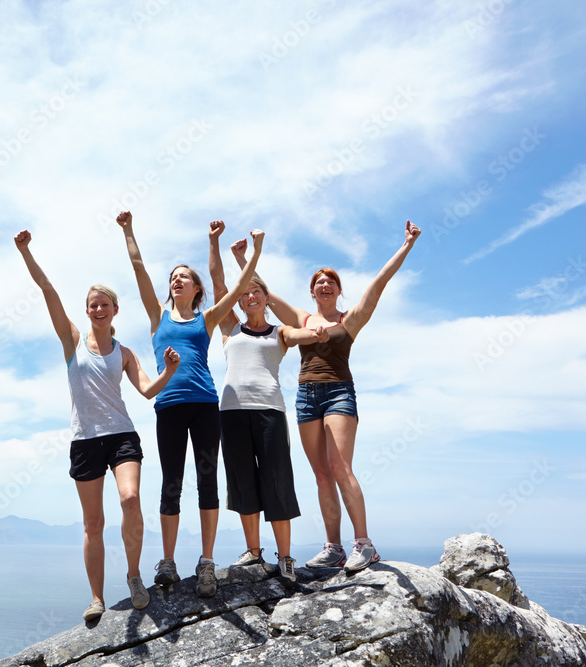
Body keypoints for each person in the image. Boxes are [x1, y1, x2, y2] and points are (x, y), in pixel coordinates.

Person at [230, 220, 422, 572]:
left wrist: (407, 244)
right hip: (306, 395)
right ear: (313, 292)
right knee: (321, 474)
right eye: (319, 282)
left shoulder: (350, 321)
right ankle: (333, 547)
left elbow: (379, 283)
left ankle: (363, 543)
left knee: (339, 467)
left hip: (338, 394)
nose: (324, 285)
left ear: (337, 290)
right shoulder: (303, 320)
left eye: (330, 282)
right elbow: (265, 296)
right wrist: (244, 259)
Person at [14, 230, 181, 622]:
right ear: (87, 311)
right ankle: (96, 598)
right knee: (93, 523)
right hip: (85, 441)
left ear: (115, 310)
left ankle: (135, 576)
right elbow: (47, 288)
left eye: (104, 304)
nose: (98, 309)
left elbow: (146, 390)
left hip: (121, 436)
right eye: (92, 305)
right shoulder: (72, 341)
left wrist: (169, 371)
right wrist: (26, 251)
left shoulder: (123, 352)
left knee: (130, 499)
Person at [116, 211, 265, 598]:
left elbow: (238, 289)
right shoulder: (157, 316)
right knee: (171, 484)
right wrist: (129, 230)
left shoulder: (208, 318)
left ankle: (207, 563)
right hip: (167, 406)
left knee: (206, 482)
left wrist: (256, 250)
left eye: (183, 276)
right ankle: (167, 562)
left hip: (203, 404)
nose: (175, 280)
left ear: (197, 288)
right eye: (173, 278)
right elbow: (138, 269)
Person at [208, 221, 330, 582]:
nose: (250, 297)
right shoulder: (230, 328)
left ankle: (287, 558)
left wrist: (317, 330)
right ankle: (254, 551)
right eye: (244, 293)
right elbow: (217, 282)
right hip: (231, 413)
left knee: (277, 482)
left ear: (264, 296)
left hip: (270, 413)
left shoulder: (279, 332)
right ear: (240, 301)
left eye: (256, 291)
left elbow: (300, 332)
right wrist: (213, 242)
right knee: (243, 483)